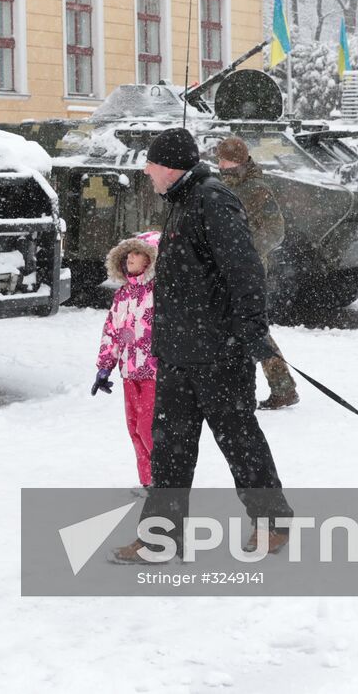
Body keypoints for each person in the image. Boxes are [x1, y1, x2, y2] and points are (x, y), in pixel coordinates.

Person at [114, 128, 293, 563]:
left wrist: (249, 330)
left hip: (218, 351)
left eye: (151, 164)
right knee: (169, 449)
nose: (146, 171)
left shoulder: (213, 199)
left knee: (239, 439)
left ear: (170, 167)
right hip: (178, 351)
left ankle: (272, 522)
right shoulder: (181, 201)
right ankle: (162, 536)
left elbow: (245, 268)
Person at [215, 136, 300, 410]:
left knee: (252, 327)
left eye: (224, 160)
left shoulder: (256, 189)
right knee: (230, 325)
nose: (220, 164)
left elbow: (275, 230)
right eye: (219, 159)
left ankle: (281, 387)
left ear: (237, 160)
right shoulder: (224, 184)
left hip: (248, 270)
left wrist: (246, 250)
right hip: (226, 267)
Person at [92, 231, 160, 489]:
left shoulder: (158, 292)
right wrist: (104, 367)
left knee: (147, 428)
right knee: (134, 429)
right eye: (128, 253)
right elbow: (112, 332)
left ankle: (165, 480)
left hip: (154, 372)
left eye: (138, 253)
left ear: (150, 260)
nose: (130, 257)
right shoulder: (122, 295)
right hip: (129, 372)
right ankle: (147, 482)